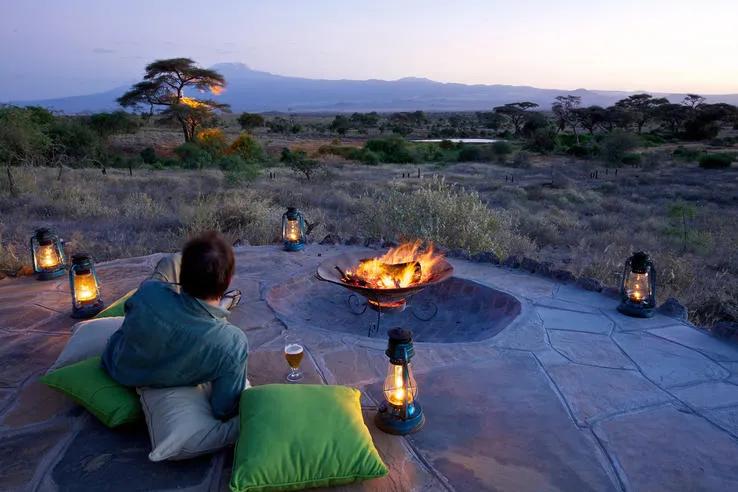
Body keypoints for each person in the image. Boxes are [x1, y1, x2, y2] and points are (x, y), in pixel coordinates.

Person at [102, 231, 248, 420]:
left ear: (182, 275)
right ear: (228, 281)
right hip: (158, 375)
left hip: (117, 366)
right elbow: (223, 408)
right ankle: (220, 306)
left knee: (169, 262)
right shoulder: (232, 343)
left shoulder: (149, 291)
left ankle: (213, 300)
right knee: (174, 264)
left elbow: (131, 316)